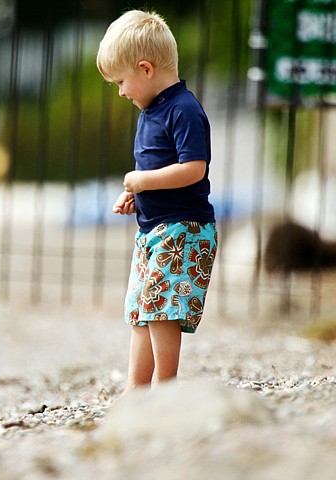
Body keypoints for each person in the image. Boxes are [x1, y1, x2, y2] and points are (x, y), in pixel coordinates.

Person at [96, 10, 218, 392]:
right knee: (141, 312)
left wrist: (141, 180)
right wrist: (135, 192)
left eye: (121, 81)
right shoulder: (151, 110)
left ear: (145, 69)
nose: (120, 92)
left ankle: (166, 388)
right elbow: (154, 169)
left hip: (184, 229)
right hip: (154, 230)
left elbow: (194, 169)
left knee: (163, 312)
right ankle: (137, 389)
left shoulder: (183, 109)